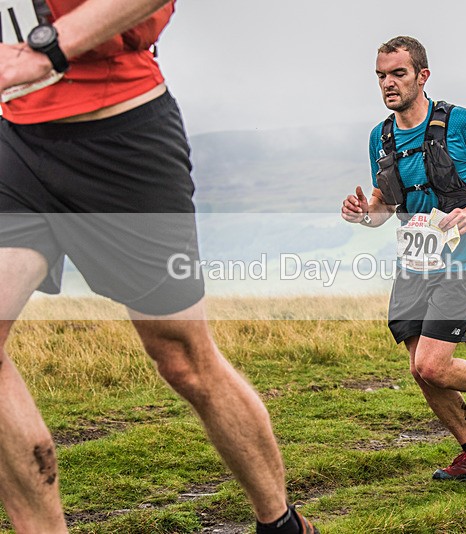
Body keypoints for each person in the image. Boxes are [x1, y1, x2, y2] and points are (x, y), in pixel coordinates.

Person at [0, 1, 317, 533]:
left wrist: (48, 50)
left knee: (183, 359)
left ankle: (282, 524)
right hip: (16, 138)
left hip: (121, 140)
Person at [341, 36, 466, 480]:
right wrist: (364, 214)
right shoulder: (380, 137)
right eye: (381, 75)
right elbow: (384, 207)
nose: (388, 83)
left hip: (460, 261)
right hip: (413, 264)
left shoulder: (460, 122)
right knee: (421, 372)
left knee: (432, 365)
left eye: (398, 73)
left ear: (422, 76)